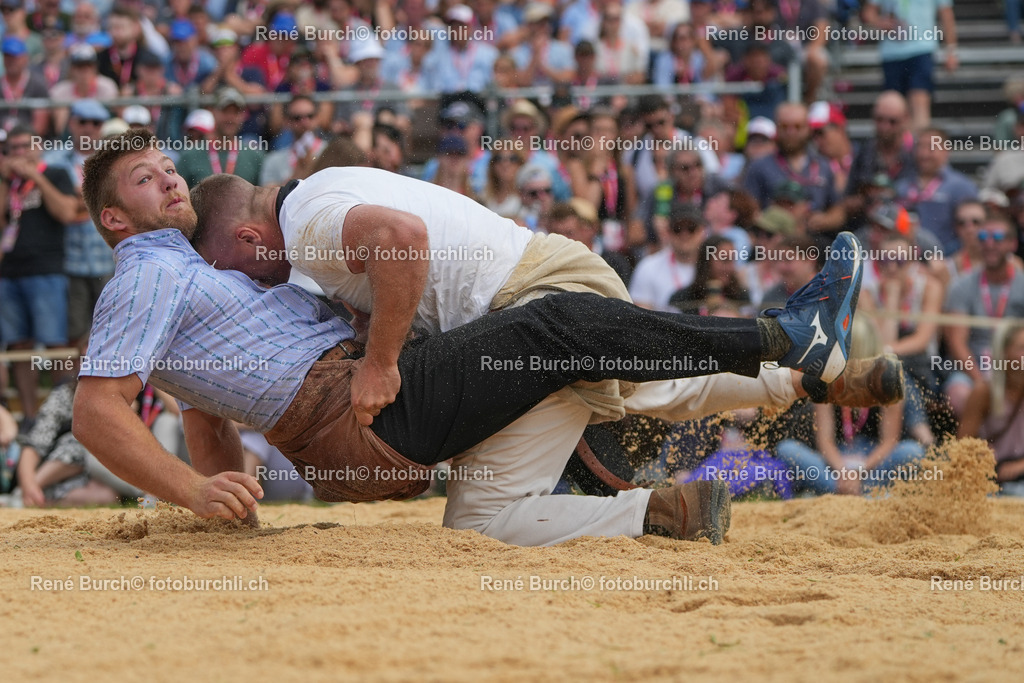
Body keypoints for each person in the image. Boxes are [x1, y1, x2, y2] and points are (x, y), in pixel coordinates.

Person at [79, 130, 871, 548]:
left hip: (360, 403)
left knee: (561, 373)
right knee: (553, 325)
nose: (168, 177)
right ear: (114, 219)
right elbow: (96, 410)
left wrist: (228, 508)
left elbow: (203, 411)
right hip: (354, 419)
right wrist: (192, 490)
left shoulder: (193, 276)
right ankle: (775, 340)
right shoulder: (148, 272)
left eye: (165, 164)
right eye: (144, 179)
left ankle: (788, 380)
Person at [959, 323, 1024, 495]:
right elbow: (963, 447)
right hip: (992, 474)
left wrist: (1019, 466)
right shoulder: (984, 391)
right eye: (1022, 348)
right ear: (1004, 352)